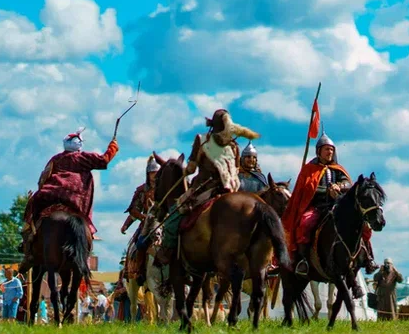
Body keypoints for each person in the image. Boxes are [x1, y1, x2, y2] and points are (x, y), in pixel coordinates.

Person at [157, 108, 259, 270]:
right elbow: (236, 170)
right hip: (231, 190)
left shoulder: (202, 141)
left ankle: (167, 251)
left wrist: (186, 172)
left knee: (172, 219)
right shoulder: (234, 146)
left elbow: (191, 168)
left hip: (204, 190)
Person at [282, 132, 375, 284]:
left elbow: (348, 184)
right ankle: (303, 261)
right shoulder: (309, 169)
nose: (330, 152)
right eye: (326, 149)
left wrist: (339, 186)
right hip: (318, 207)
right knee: (305, 224)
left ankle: (369, 258)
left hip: (337, 207)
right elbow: (306, 190)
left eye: (331, 149)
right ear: (319, 151)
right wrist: (326, 190)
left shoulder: (338, 169)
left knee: (363, 225)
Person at [22, 130, 120, 255]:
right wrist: (113, 146)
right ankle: (87, 232)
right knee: (82, 217)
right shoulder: (84, 157)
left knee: (33, 204)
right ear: (80, 146)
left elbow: (43, 178)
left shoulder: (56, 159)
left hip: (50, 195)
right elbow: (104, 160)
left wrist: (41, 188)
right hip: (76, 200)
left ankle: (29, 237)